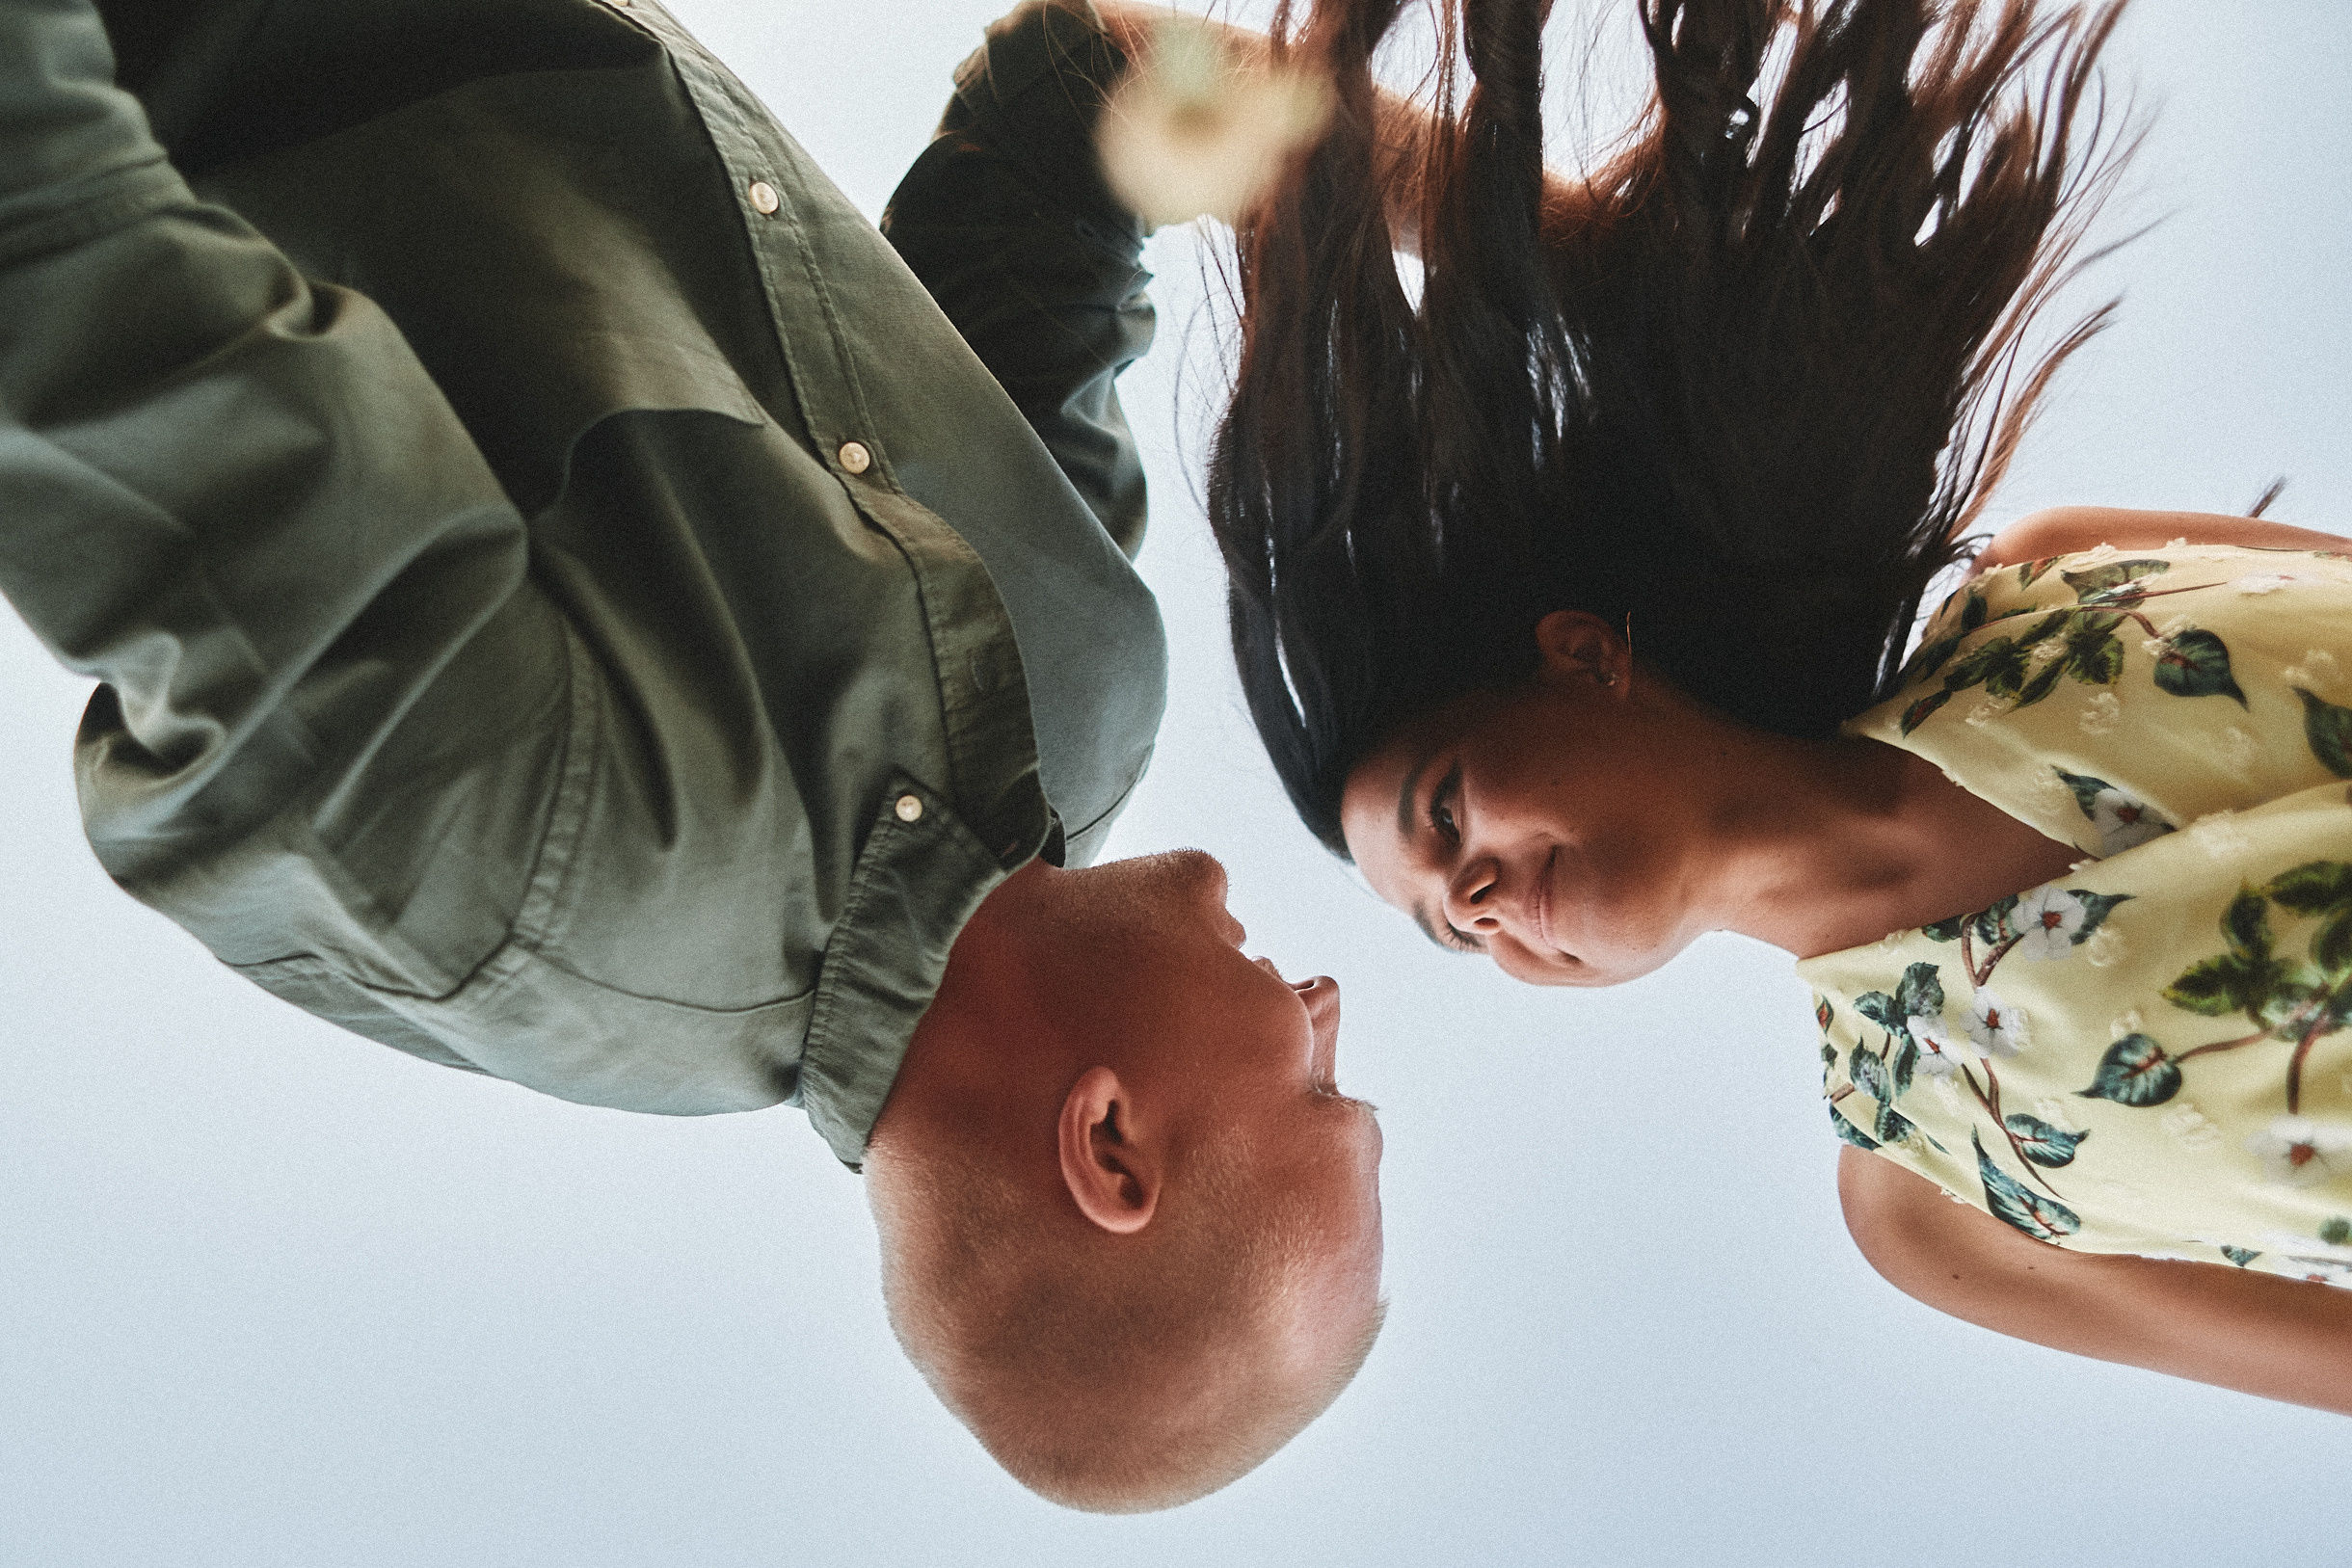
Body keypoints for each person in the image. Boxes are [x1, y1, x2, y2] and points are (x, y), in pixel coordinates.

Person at [0, 0, 1381, 1510]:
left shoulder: (546, 879)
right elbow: (1066, 120)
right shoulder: (1088, 693)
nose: (1324, 1007)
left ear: (1111, 1144)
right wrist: (1475, 203)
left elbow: (60, 271)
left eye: (1318, 1094)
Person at [1205, 0, 2352, 1411]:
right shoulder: (1930, 1203)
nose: (1483, 897)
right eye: (1456, 925)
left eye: (1447, 814)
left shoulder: (2061, 574)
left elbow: (1108, 61)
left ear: (1580, 657)